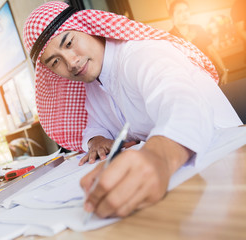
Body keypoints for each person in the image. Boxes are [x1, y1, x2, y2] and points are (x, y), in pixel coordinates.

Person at [22, 1, 242, 218]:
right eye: (55, 62)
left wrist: (156, 159)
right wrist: (96, 140)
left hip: (227, 166)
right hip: (184, 184)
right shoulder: (94, 83)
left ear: (86, 27)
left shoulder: (141, 55)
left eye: (69, 43)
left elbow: (185, 106)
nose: (70, 62)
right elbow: (94, 125)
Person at [168, 0, 229, 85]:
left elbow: (211, 50)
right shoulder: (170, 37)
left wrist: (224, 70)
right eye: (179, 12)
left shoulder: (198, 28)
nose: (184, 14)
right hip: (192, 81)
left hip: (210, 75)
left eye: (186, 10)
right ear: (172, 16)